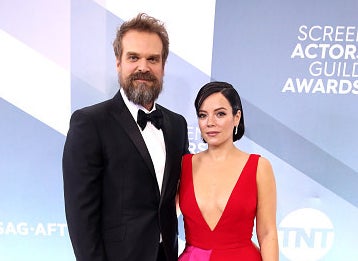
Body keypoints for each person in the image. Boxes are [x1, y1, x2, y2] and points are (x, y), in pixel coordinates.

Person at [62, 13, 189, 261]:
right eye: (134, 57)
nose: (143, 67)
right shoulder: (90, 122)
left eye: (153, 59)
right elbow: (80, 216)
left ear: (163, 66)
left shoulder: (177, 125)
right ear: (118, 63)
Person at [178, 81, 278, 260]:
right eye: (203, 115)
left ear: (237, 117)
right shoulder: (183, 165)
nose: (210, 122)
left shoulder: (259, 167)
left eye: (220, 114)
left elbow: (268, 233)